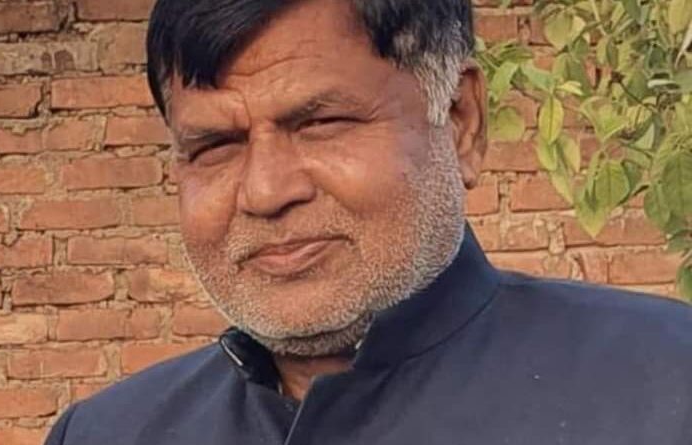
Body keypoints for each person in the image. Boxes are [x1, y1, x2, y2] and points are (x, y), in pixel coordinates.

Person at [44, 0, 692, 443]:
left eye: (322, 123)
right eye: (215, 145)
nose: (266, 191)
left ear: (461, 121)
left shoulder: (665, 388)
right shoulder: (108, 433)